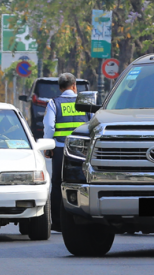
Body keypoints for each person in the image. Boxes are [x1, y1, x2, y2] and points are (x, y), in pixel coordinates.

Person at [43, 73, 90, 231]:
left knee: (57, 184)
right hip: (81, 150)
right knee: (82, 182)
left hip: (60, 148)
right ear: (74, 85)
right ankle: (82, 219)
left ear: (60, 87)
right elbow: (92, 124)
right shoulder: (84, 102)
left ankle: (57, 222)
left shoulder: (53, 103)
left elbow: (49, 127)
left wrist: (48, 147)